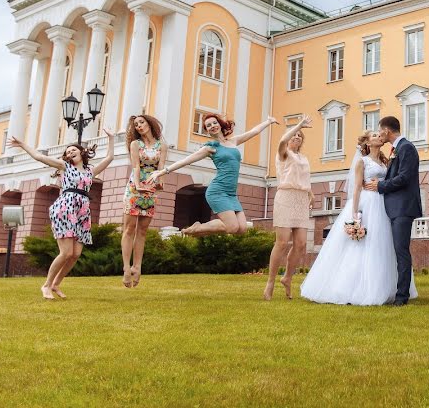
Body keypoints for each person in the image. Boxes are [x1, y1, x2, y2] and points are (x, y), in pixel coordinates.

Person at [301, 130, 417, 306]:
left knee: (383, 245)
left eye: (380, 134)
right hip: (368, 204)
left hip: (385, 204)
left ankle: (386, 287)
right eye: (375, 136)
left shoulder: (387, 160)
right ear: (368, 143)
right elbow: (356, 188)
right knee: (363, 245)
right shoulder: (362, 162)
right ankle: (355, 287)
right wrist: (355, 212)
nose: (379, 137)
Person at [8, 128, 115, 299]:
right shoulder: (64, 166)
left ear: (81, 152)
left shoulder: (90, 171)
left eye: (73, 149)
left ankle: (56, 284)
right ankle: (46, 285)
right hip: (65, 208)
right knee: (65, 252)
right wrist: (22, 145)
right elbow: (39, 157)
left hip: (82, 211)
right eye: (68, 151)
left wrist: (111, 138)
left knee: (75, 254)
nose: (70, 152)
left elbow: (109, 158)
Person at [147, 114, 278, 236]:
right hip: (218, 191)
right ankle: (197, 228)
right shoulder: (210, 148)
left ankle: (198, 229)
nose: (212, 126)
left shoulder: (233, 141)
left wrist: (268, 121)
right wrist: (163, 171)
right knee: (232, 227)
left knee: (241, 229)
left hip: (231, 193)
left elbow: (253, 132)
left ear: (220, 124)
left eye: (214, 123)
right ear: (207, 131)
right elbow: (186, 160)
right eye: (208, 126)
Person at [364, 116, 422, 306]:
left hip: (403, 207)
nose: (379, 134)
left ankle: (402, 296)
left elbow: (404, 177)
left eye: (380, 131)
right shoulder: (397, 149)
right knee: (397, 250)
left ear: (387, 131)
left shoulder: (406, 148)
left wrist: (381, 185)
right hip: (394, 207)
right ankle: (395, 291)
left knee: (401, 251)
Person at [264, 115, 314, 301]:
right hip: (285, 197)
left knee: (301, 244)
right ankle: (270, 282)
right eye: (295, 135)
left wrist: (310, 194)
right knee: (282, 242)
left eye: (300, 136)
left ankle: (287, 278)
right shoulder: (283, 153)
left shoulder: (304, 157)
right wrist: (299, 124)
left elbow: (304, 179)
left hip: (301, 198)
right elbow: (282, 140)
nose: (297, 137)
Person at [121, 114, 166, 288]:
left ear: (149, 123)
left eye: (141, 122)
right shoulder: (135, 144)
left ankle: (137, 267)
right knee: (129, 228)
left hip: (151, 187)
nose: (139, 126)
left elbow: (161, 167)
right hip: (135, 186)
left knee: (143, 230)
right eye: (136, 125)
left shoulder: (161, 145)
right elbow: (136, 166)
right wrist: (138, 185)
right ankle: (126, 268)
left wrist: (160, 182)